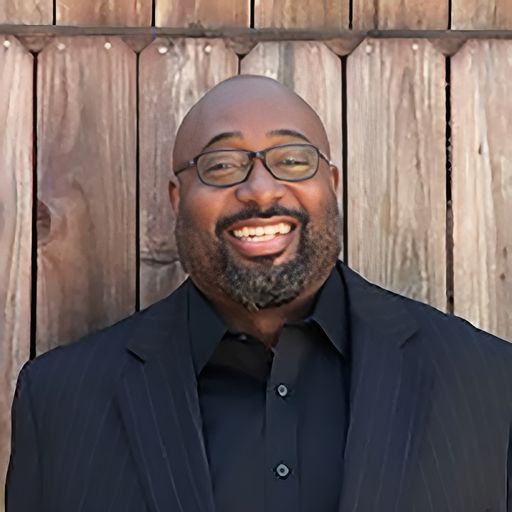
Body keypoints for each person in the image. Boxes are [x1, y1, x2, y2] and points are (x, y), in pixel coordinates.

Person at [5, 75, 512, 512]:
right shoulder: (61, 404)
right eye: (222, 165)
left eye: (292, 160)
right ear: (177, 199)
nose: (262, 190)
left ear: (331, 183)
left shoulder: (489, 383)